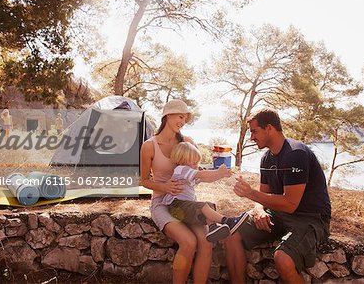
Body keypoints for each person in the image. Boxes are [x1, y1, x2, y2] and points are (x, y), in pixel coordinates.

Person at [223, 109, 331, 284]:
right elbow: (263, 196)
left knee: (283, 258)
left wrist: (250, 193)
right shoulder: (267, 158)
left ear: (269, 128)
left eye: (254, 131)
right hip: (278, 214)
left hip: (310, 218)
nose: (251, 137)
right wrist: (258, 211)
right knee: (231, 233)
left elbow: (290, 204)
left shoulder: (296, 154)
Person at [140, 100, 210, 284]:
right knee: (188, 242)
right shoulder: (149, 146)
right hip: (162, 204)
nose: (183, 121)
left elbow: (196, 169)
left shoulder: (187, 142)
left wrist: (203, 172)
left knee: (207, 241)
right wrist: (164, 187)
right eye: (180, 116)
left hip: (187, 204)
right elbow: (144, 180)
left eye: (185, 118)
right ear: (167, 115)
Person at [164, 142, 248, 243]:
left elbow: (207, 179)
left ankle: (212, 227)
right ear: (183, 160)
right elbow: (202, 175)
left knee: (209, 206)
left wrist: (222, 175)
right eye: (194, 163)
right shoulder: (181, 169)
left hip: (183, 207)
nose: (196, 166)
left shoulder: (188, 173)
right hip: (176, 206)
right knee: (203, 206)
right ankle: (228, 221)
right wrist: (218, 172)